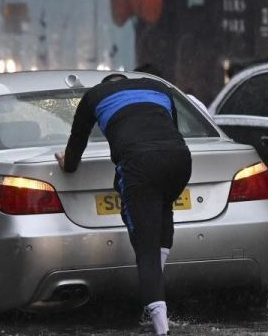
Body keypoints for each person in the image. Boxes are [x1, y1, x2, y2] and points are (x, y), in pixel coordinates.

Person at [133, 63, 268, 305]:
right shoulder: (188, 102)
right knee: (240, 240)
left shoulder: (131, 111)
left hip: (154, 182)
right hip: (202, 172)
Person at [57, 73, 191, 335]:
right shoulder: (158, 86)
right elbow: (171, 128)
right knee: (163, 213)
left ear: (106, 86)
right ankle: (154, 296)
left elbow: (75, 149)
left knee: (146, 247)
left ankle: (161, 329)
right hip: (180, 159)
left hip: (139, 164)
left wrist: (67, 163)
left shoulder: (94, 96)